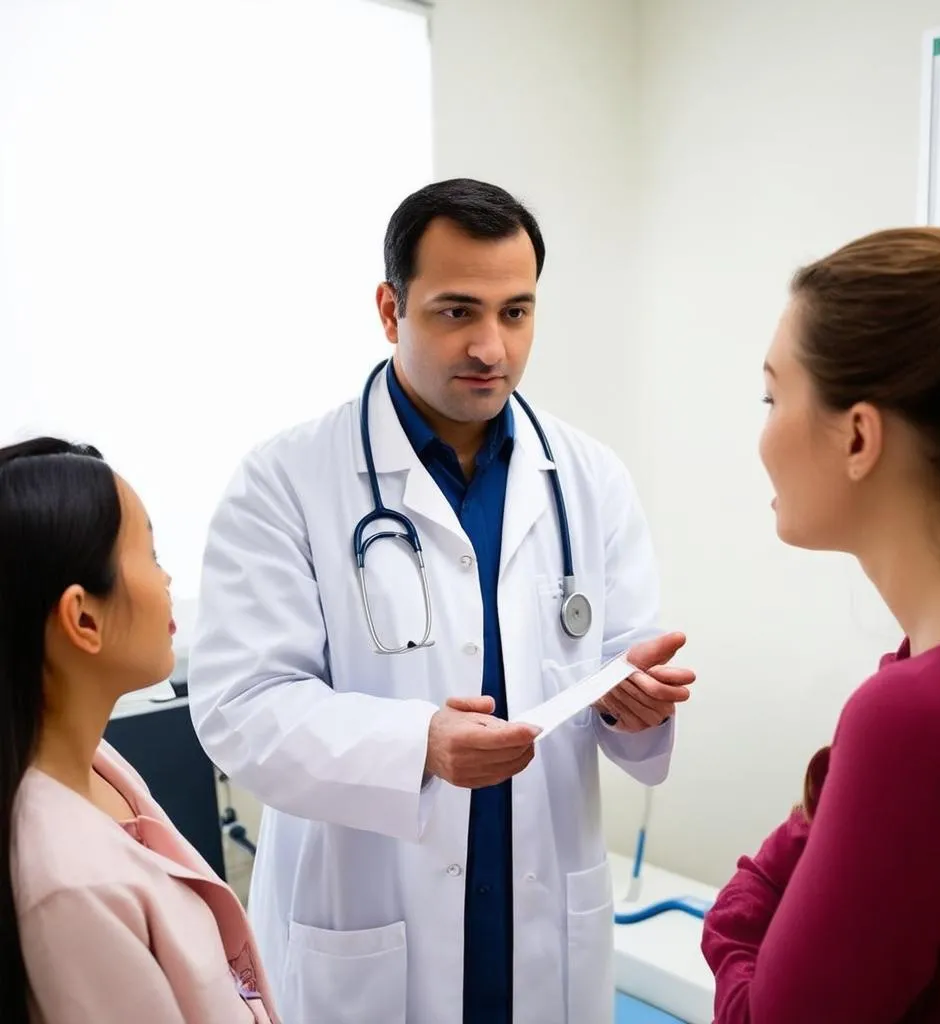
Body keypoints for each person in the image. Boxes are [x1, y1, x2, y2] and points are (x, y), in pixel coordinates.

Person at [187, 177, 694, 1024]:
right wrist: (417, 744)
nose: (491, 347)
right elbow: (240, 709)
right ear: (391, 310)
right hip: (369, 927)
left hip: (536, 922)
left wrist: (632, 705)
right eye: (457, 312)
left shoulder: (588, 479)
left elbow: (621, 653)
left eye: (517, 312)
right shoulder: (286, 482)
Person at [702, 209, 940, 1022]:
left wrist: (736, 921)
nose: (762, 435)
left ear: (858, 438)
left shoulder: (919, 721)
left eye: (771, 396)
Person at [0, 438, 279, 1023]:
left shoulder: (95, 761)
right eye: (150, 554)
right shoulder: (66, 891)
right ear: (83, 618)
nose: (168, 576)